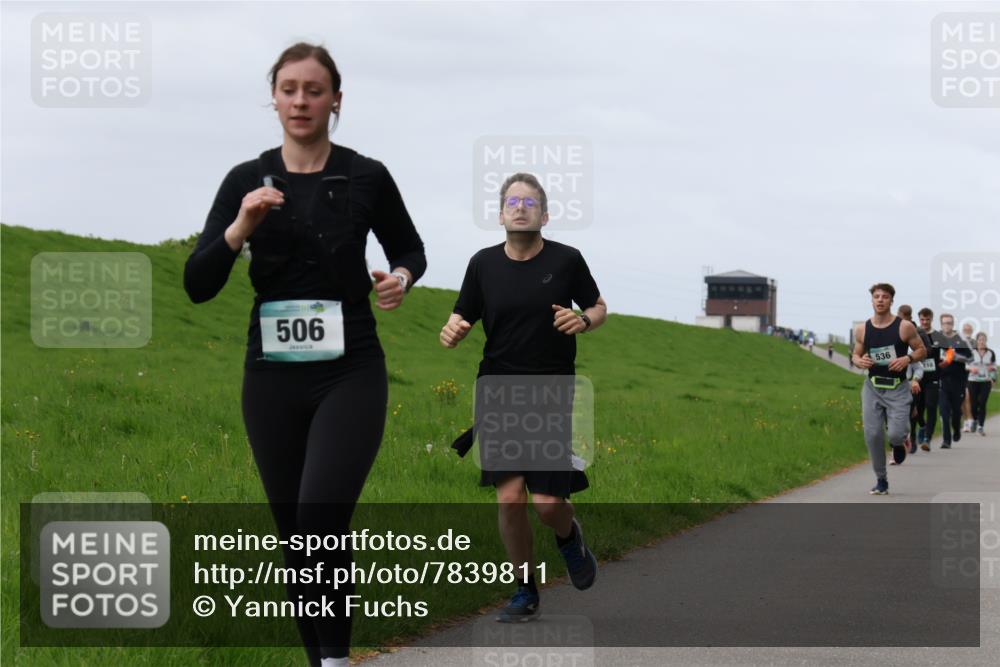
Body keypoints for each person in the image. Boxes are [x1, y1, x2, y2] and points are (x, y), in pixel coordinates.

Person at [184, 43, 426, 667]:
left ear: (335, 100)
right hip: (271, 376)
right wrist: (240, 227)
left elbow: (411, 248)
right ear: (274, 97)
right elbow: (197, 282)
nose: (300, 100)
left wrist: (400, 276)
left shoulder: (367, 174)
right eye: (288, 88)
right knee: (295, 531)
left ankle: (337, 660)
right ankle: (320, 661)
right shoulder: (246, 180)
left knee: (321, 516)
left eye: (313, 90)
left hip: (350, 369)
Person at [441, 173, 608, 622]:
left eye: (529, 202)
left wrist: (584, 321)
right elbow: (462, 313)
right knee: (510, 497)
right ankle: (524, 589)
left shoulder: (567, 260)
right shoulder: (482, 264)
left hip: (550, 392)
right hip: (497, 391)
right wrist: (453, 327)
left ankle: (569, 537)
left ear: (544, 214)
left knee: (547, 504)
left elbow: (597, 306)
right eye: (512, 201)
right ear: (500, 214)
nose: (520, 207)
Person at [851, 284, 926, 494]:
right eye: (877, 297)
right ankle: (881, 480)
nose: (880, 300)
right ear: (872, 300)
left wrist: (907, 358)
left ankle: (899, 442)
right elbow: (855, 355)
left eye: (885, 297)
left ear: (891, 301)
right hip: (872, 387)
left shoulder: (904, 327)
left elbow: (922, 350)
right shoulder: (863, 329)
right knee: (873, 435)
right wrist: (859, 361)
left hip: (898, 388)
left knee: (894, 434)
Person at [932, 313, 974, 449]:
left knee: (956, 412)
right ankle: (946, 440)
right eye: (944, 323)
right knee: (944, 412)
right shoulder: (937, 339)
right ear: (941, 324)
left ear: (953, 324)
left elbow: (970, 358)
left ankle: (956, 428)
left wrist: (956, 357)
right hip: (943, 380)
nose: (947, 325)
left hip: (958, 381)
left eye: (949, 323)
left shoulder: (959, 340)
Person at [916, 307, 940, 450]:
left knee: (931, 407)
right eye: (922, 319)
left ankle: (927, 439)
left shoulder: (938, 336)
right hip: (918, 378)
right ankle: (922, 426)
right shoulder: (916, 333)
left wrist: (944, 366)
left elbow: (946, 355)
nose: (925, 322)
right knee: (918, 409)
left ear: (931, 319)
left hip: (933, 378)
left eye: (927, 319)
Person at [967, 332, 997, 435]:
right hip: (973, 381)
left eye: (984, 339)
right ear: (977, 341)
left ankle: (981, 426)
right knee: (974, 404)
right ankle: (975, 420)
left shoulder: (991, 353)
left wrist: (993, 378)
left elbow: (994, 367)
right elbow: (965, 365)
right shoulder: (971, 352)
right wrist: (971, 368)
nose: (982, 342)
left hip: (985, 381)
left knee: (983, 402)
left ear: (986, 341)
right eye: (980, 339)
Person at [961, 322, 977, 432]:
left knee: (969, 398)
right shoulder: (959, 342)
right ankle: (966, 422)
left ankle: (971, 420)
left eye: (968, 329)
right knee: (963, 398)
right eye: (965, 329)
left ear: (971, 331)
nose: (967, 330)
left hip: (972, 373)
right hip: (962, 373)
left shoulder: (975, 343)